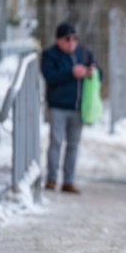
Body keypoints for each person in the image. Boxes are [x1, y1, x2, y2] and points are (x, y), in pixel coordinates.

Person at [41, 22, 98, 195]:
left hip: (78, 107)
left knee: (74, 144)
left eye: (74, 38)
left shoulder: (83, 53)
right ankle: (51, 179)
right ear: (59, 40)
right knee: (56, 142)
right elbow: (50, 77)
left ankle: (68, 180)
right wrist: (72, 73)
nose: (72, 42)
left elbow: (98, 72)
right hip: (58, 106)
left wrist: (91, 71)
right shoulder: (50, 55)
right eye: (68, 38)